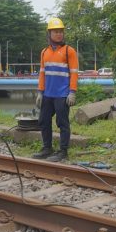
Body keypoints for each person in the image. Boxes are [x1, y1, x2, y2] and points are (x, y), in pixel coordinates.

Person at [32, 17, 79, 162]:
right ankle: (47, 148)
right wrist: (40, 92)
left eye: (61, 32)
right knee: (44, 121)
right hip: (48, 94)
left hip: (62, 94)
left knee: (62, 122)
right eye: (56, 32)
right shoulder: (44, 52)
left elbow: (74, 73)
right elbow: (42, 73)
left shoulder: (69, 51)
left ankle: (63, 151)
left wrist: (72, 92)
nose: (59, 34)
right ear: (49, 34)